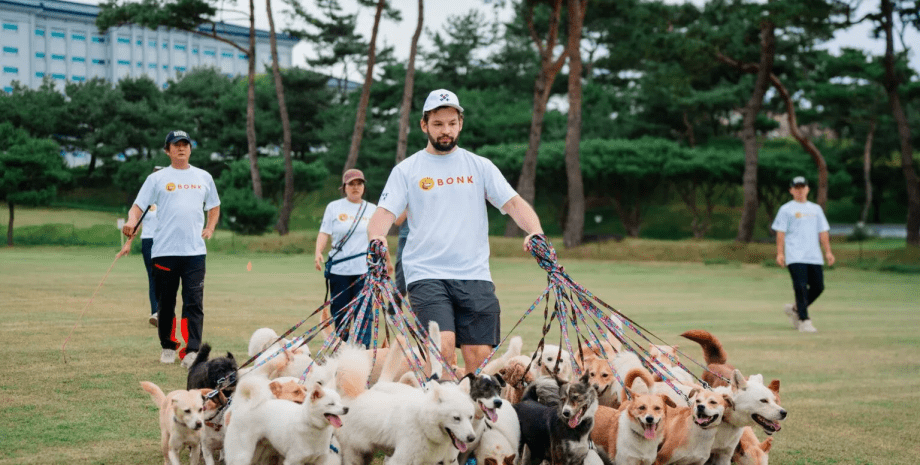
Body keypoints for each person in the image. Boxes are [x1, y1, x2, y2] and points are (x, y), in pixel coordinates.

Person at [367, 89, 544, 374]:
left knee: (480, 361)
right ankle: (439, 413)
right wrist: (376, 240)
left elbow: (512, 203)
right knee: (442, 349)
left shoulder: (480, 166)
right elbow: (383, 216)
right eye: (438, 124)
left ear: (460, 123)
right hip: (426, 273)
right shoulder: (407, 170)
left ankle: (472, 415)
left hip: (474, 274)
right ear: (424, 125)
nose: (445, 130)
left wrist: (535, 231)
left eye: (451, 123)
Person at [122, 130, 221, 368]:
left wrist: (210, 227)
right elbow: (137, 207)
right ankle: (168, 346)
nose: (181, 148)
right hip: (164, 251)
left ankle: (191, 351)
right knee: (166, 303)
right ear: (167, 150)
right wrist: (131, 221)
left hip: (194, 253)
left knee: (193, 303)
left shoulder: (204, 177)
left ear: (190, 149)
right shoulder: (156, 179)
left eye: (185, 144)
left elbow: (214, 207)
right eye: (176, 145)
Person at [315, 169, 376, 347]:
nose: (356, 187)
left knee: (364, 314)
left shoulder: (372, 209)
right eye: (351, 184)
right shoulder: (334, 207)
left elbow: (378, 237)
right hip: (339, 270)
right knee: (340, 313)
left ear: (364, 186)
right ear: (344, 187)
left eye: (359, 184)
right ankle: (341, 351)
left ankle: (362, 353)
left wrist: (385, 261)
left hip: (364, 270)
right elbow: (324, 232)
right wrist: (318, 252)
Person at [772, 176, 835, 333]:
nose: (800, 191)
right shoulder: (786, 209)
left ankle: (795, 308)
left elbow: (823, 232)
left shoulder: (816, 209)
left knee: (818, 287)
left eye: (802, 187)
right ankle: (804, 320)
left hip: (813, 255)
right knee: (800, 286)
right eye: (796, 188)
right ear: (791, 190)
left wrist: (828, 251)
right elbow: (781, 233)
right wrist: (780, 253)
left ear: (807, 189)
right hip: (795, 255)